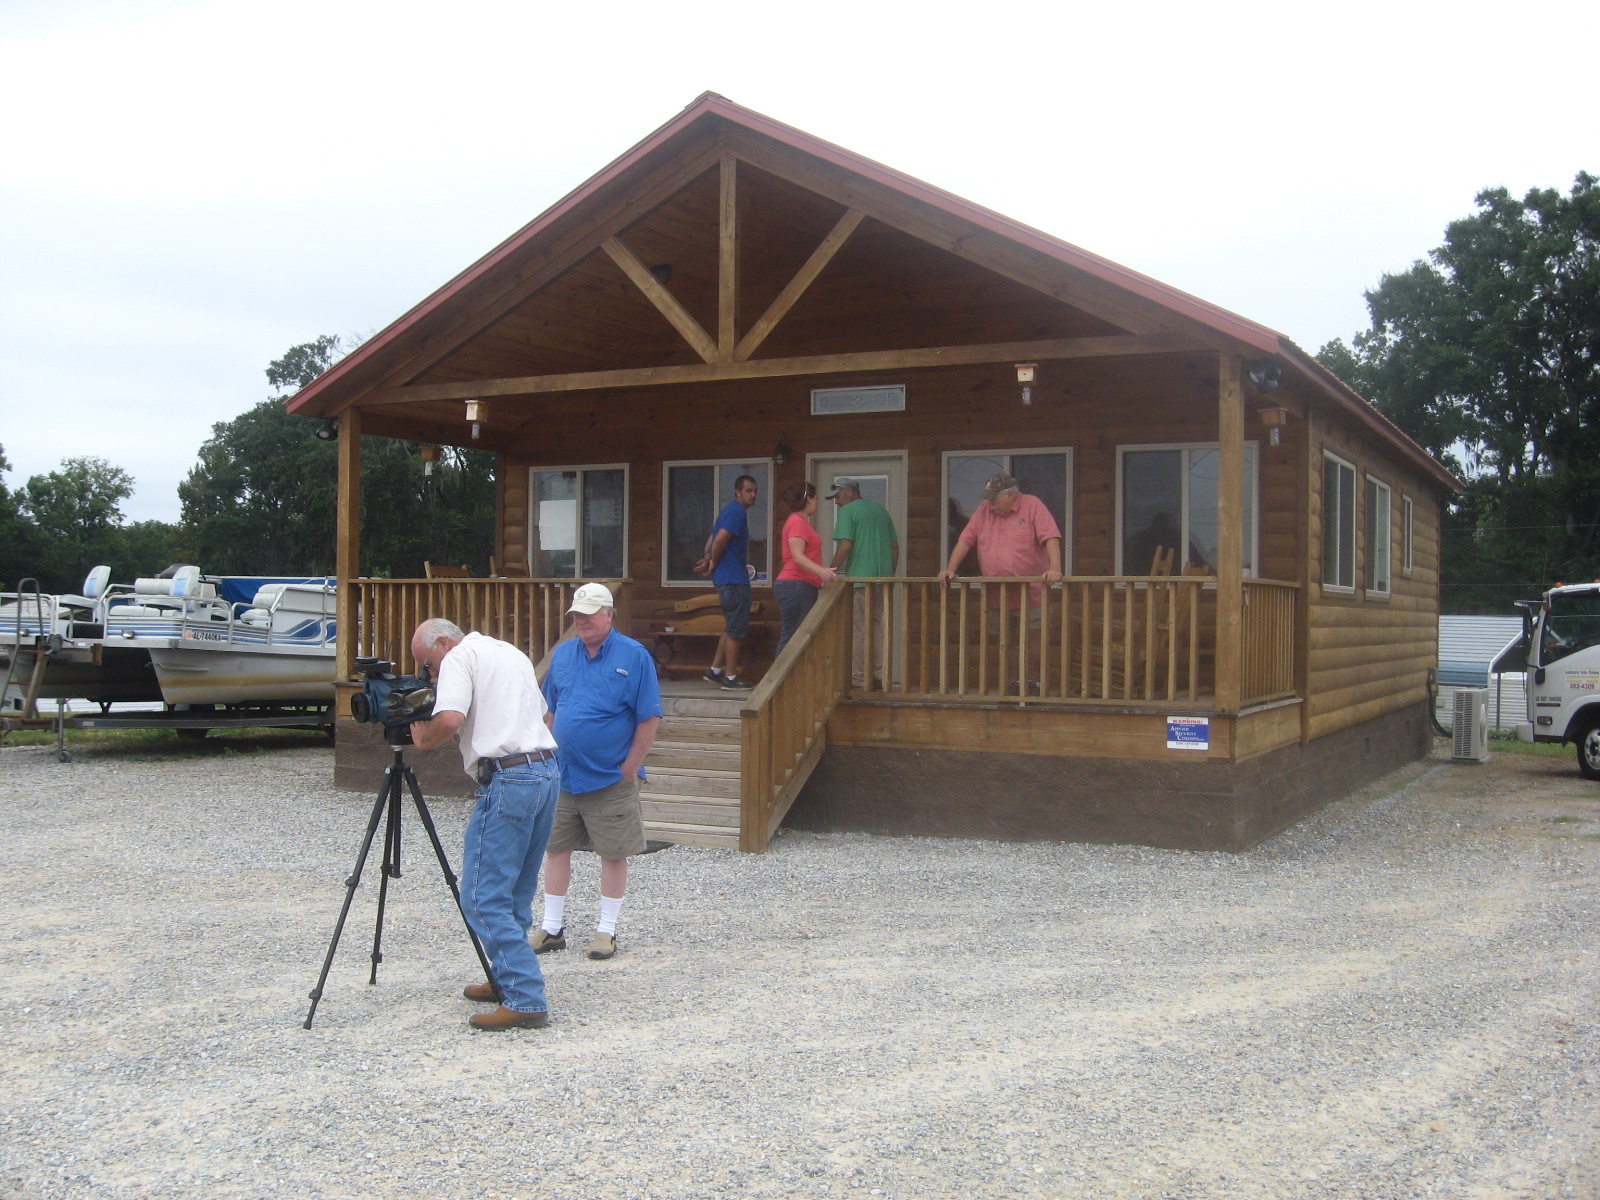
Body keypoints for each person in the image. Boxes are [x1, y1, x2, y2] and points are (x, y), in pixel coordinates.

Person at [408, 616, 561, 1032]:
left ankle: (526, 998)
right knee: (515, 890)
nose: (430, 675)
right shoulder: (510, 653)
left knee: (480, 896)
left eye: (428, 665)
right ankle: (506, 977)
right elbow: (545, 717)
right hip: (545, 770)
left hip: (509, 777)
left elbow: (452, 719)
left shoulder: (460, 658)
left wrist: (423, 739)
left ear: (443, 644)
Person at [534, 582, 663, 961]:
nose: (582, 621)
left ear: (609, 614)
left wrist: (631, 767)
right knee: (555, 849)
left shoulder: (634, 656)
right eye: (577, 615)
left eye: (590, 614)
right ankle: (551, 927)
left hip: (610, 777)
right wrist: (546, 751)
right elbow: (550, 708)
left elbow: (649, 715)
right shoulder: (563, 655)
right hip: (564, 774)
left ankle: (606, 931)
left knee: (613, 852)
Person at [937, 472, 1063, 692]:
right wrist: (950, 569)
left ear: (1011, 495)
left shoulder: (1033, 506)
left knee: (1035, 640)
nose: (990, 503)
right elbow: (965, 541)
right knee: (1005, 642)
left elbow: (1050, 537)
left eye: (994, 498)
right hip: (998, 594)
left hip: (1032, 593)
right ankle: (1013, 684)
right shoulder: (984, 510)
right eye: (989, 498)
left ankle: (1034, 684)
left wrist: (1055, 569)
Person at [827, 478, 899, 689]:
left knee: (860, 629)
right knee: (878, 627)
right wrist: (890, 575)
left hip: (860, 580)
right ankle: (879, 676)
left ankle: (859, 679)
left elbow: (845, 546)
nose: (836, 502)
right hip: (882, 580)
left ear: (849, 492)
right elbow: (895, 548)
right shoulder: (881, 511)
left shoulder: (848, 512)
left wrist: (830, 572)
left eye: (838, 496)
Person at [692, 474, 759, 690]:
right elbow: (720, 540)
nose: (753, 495)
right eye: (748, 491)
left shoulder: (728, 511)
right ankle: (730, 678)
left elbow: (712, 539)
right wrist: (713, 562)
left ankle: (715, 670)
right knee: (737, 630)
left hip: (727, 578)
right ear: (738, 492)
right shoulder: (737, 511)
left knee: (731, 627)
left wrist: (707, 558)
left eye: (755, 491)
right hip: (733, 580)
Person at [774, 481, 836, 656]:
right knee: (793, 637)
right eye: (815, 498)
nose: (816, 502)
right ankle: (780, 682)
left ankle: (787, 682)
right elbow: (797, 556)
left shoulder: (799, 522)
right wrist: (822, 572)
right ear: (808, 499)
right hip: (796, 586)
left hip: (799, 586)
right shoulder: (798, 522)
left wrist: (819, 573)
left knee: (796, 637)